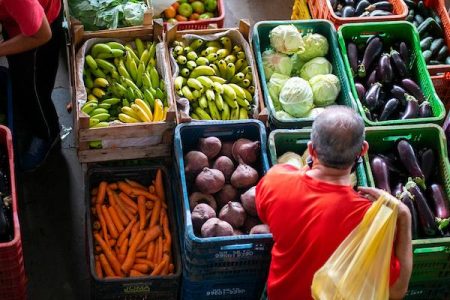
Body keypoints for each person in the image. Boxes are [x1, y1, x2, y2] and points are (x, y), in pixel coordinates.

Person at [255, 106, 412, 300]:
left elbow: (265, 215)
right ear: (363, 150)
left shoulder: (276, 180)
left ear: (311, 149)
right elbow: (397, 290)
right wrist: (404, 216)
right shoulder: (370, 220)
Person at [0, 0, 63, 171]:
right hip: (22, 20)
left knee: (35, 91)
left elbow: (43, 35)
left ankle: (47, 135)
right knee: (20, 80)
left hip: (41, 32)